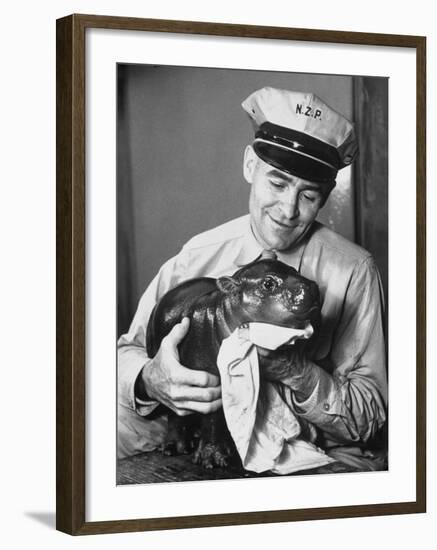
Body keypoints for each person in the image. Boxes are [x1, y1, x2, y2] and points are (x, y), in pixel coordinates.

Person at [117, 87, 387, 470]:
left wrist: (296, 370)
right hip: (202, 433)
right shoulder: (198, 255)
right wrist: (150, 379)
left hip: (310, 450)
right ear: (249, 166)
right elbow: (127, 351)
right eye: (277, 184)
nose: (288, 210)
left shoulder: (354, 271)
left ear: (326, 198)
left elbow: (372, 416)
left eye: (308, 195)